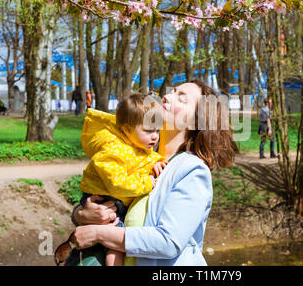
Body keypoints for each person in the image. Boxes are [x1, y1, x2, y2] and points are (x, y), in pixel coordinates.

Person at [68, 80, 238, 266]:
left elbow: (169, 242)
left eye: (181, 99)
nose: (166, 96)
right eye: (171, 92)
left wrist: (98, 234)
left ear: (196, 121)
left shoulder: (192, 170)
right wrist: (80, 214)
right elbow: (109, 198)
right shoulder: (135, 155)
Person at [56, 94, 167, 266]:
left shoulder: (138, 145)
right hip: (104, 199)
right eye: (148, 130)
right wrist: (147, 182)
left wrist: (158, 162)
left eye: (157, 130)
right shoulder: (113, 149)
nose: (155, 136)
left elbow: (146, 158)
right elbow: (117, 183)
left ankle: (72, 258)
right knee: (114, 246)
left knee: (101, 244)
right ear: (128, 130)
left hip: (114, 201)